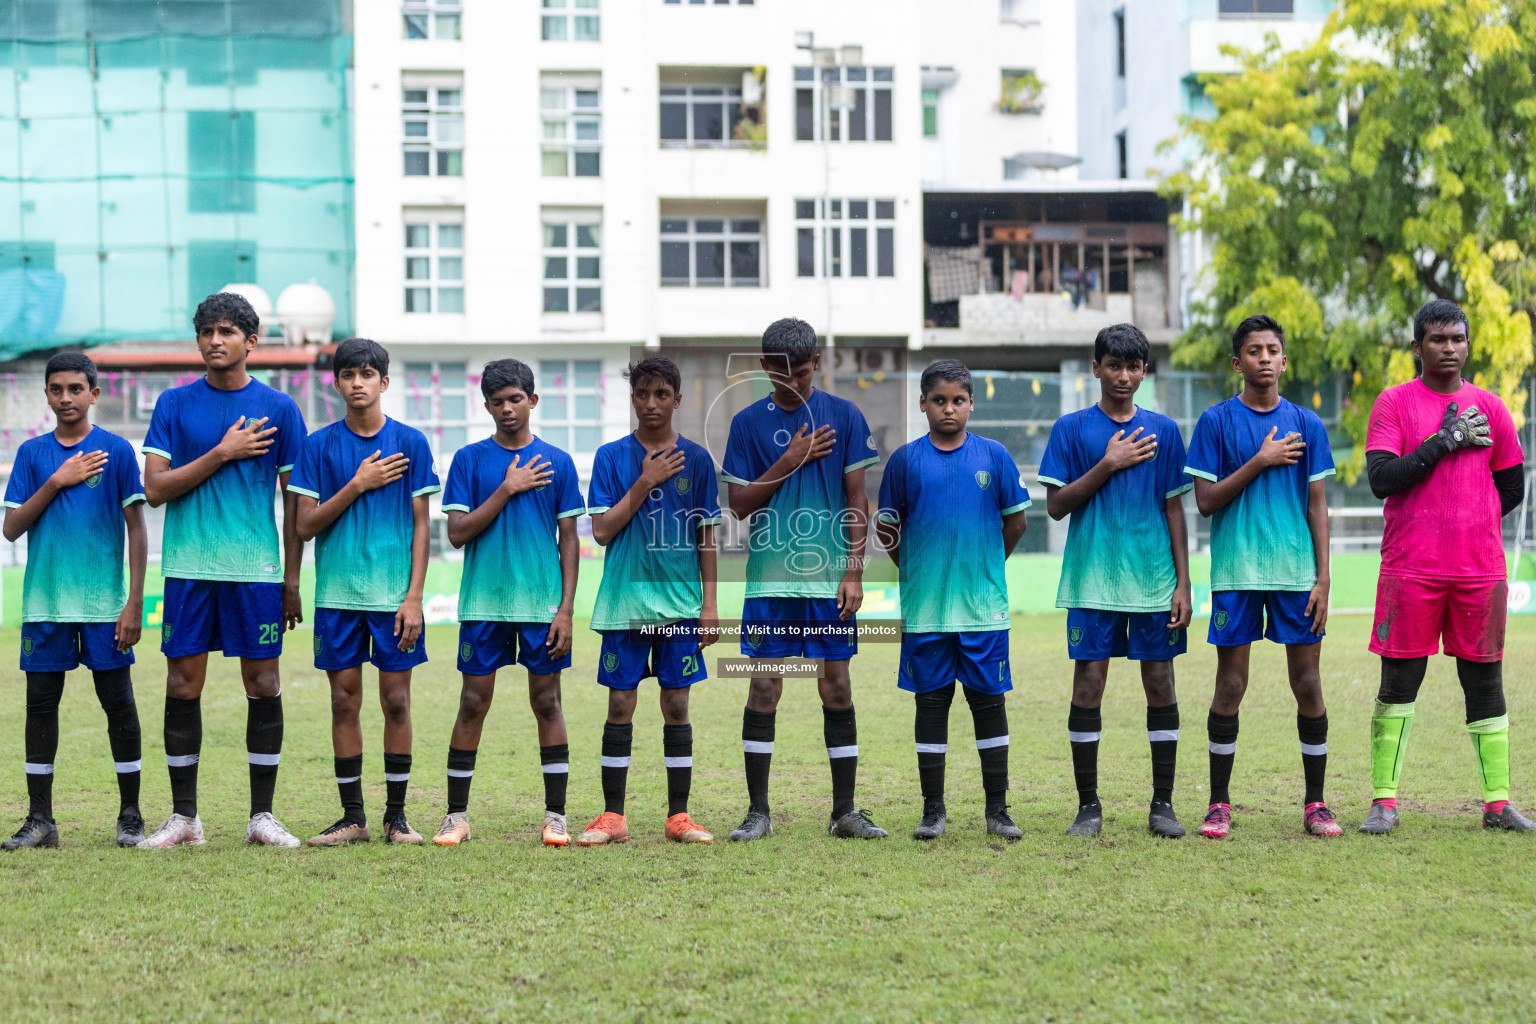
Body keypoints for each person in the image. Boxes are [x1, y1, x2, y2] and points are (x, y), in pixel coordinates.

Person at [138, 292, 307, 848]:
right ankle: (184, 817)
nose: (215, 339)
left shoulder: (280, 409)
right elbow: (155, 489)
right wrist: (222, 451)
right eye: (207, 330)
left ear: (251, 341)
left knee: (263, 681)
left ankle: (262, 816)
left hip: (256, 571)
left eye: (228, 330)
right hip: (187, 567)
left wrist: (289, 580)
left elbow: (294, 505)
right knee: (183, 682)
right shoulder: (174, 404)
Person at [1360, 299, 1533, 833]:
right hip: (1411, 568)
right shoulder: (1393, 403)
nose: (1450, 348)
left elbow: (1512, 487)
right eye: (1438, 339)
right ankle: (1384, 802)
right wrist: (1445, 441)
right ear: (1417, 347)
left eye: (1458, 338)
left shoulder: (1493, 408)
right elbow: (1382, 479)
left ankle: (1498, 804)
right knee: (1400, 680)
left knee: (1484, 681)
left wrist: (1471, 518)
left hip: (1479, 570)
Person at [721, 317, 886, 841]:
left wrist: (854, 571)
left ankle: (844, 812)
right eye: (780, 371)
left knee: (836, 687)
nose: (792, 380)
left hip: (827, 583)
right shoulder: (747, 423)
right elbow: (739, 504)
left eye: (802, 370)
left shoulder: (844, 414)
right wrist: (789, 459)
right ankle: (758, 813)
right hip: (770, 584)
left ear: (816, 362)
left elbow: (858, 499)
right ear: (765, 366)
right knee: (765, 688)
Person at [1184, 314, 1341, 839]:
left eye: (1274, 349)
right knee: (1230, 685)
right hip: (1237, 572)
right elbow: (1205, 502)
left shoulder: (1308, 424)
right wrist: (1261, 459)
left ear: (1284, 359)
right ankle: (1218, 804)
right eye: (1255, 351)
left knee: (1308, 683)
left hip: (1297, 575)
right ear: (1238, 362)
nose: (1266, 358)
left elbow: (1317, 505)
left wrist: (1323, 578)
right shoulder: (1215, 422)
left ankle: (1316, 804)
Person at [1038, 324, 1192, 839]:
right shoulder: (1072, 428)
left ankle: (1163, 805)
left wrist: (1184, 584)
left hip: (1153, 580)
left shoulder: (1165, 431)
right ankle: (1088, 806)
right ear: (1096, 368)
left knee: (1160, 682)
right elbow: (1056, 507)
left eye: (1133, 367)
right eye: (1113, 366)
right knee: (1089, 684)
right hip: (1092, 580)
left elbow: (1174, 508)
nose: (1123, 376)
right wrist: (1108, 463)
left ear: (1144, 371)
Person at [288, 338, 441, 846]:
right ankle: (353, 818)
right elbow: (305, 526)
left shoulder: (411, 443)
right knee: (343, 701)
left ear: (384, 382)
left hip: (394, 597)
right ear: (336, 383)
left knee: (397, 701)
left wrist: (414, 596)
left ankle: (396, 817)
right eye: (348, 374)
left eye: (368, 374)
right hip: (337, 597)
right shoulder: (317, 446)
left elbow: (423, 527)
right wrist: (357, 483)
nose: (358, 382)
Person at [432, 359, 584, 847]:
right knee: (473, 702)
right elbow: (456, 533)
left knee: (547, 701)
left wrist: (565, 610)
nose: (507, 409)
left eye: (516, 399)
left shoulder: (557, 462)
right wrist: (506, 488)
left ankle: (555, 816)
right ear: (486, 406)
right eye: (497, 402)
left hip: (542, 607)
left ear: (533, 401)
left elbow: (569, 541)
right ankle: (456, 816)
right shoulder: (470, 460)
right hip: (483, 604)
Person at [875, 359, 1028, 841]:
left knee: (989, 704)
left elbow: (1016, 522)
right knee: (932, 705)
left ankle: (997, 810)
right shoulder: (905, 460)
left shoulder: (994, 456)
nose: (948, 409)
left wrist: (985, 565)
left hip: (983, 609)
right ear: (922, 403)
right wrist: (916, 569)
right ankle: (933, 810)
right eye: (938, 400)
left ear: (971, 404)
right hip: (926, 611)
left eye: (958, 400)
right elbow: (887, 528)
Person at [2, 354, 148, 850]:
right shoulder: (32, 453)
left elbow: (136, 528)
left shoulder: (117, 452)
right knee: (40, 707)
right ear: (46, 395)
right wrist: (57, 480)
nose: (66, 397)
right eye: (56, 389)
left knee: (119, 705)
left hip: (105, 605)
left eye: (75, 389)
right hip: (46, 605)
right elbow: (12, 527)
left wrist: (134, 604)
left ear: (94, 394)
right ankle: (40, 819)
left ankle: (130, 814)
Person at [578, 356, 720, 846]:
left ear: (677, 399)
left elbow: (706, 537)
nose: (652, 404)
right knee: (620, 704)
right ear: (632, 398)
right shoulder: (612, 457)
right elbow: (600, 530)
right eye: (643, 394)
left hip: (680, 607)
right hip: (624, 603)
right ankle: (612, 818)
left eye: (663, 395)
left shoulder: (698, 461)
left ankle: (678, 816)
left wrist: (709, 607)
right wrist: (644, 481)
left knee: (676, 705)